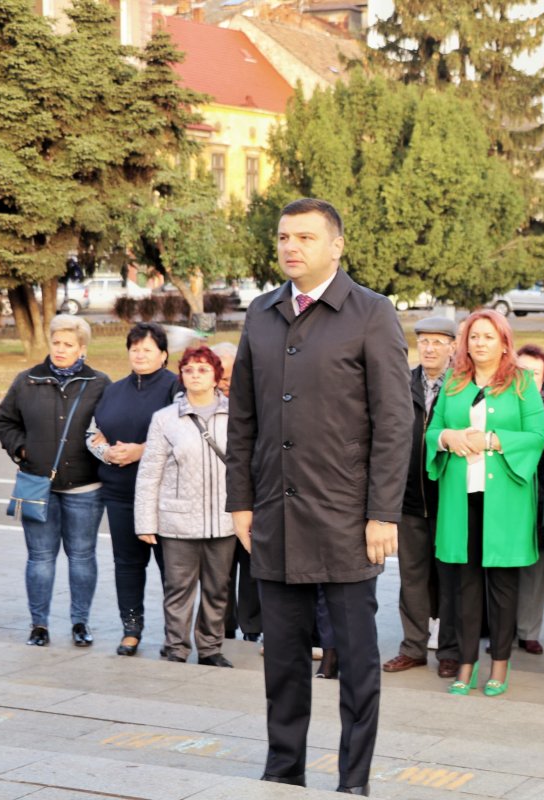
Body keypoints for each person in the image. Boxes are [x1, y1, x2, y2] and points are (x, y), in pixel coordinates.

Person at [225, 198, 413, 794]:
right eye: (283, 237)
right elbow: (243, 421)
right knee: (282, 663)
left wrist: (383, 513)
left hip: (347, 522)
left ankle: (352, 779)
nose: (290, 247)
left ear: (336, 246)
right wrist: (241, 502)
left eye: (305, 237)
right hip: (275, 521)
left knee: (356, 665)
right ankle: (284, 770)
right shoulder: (261, 313)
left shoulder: (371, 313)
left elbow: (394, 422)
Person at [426, 311, 544, 697]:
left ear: (503, 342)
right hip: (462, 500)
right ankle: (465, 664)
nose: (479, 343)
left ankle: (499, 664)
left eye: (488, 337)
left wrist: (493, 441)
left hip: (505, 501)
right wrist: (448, 437)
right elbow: (431, 431)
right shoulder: (454, 382)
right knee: (464, 586)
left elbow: (537, 435)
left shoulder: (523, 383)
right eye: (474, 336)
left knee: (502, 588)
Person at [0, 314, 110, 648]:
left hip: (85, 488)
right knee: (40, 558)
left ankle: (80, 622)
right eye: (56, 343)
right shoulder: (27, 380)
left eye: (68, 345)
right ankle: (39, 625)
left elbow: (112, 424)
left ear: (82, 348)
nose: (60, 349)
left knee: (82, 557)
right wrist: (22, 449)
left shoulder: (100, 383)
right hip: (35, 484)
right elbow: (5, 421)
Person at [134, 346, 235, 667]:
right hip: (178, 521)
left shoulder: (236, 416)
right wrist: (145, 522)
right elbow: (150, 472)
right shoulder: (165, 419)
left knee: (218, 589)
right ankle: (175, 647)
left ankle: (210, 648)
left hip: (223, 520)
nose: (195, 375)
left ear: (217, 376)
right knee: (178, 588)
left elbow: (248, 468)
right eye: (189, 369)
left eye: (203, 369)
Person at [84, 323, 179, 657]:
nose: (140, 354)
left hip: (164, 496)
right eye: (135, 348)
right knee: (127, 563)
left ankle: (175, 635)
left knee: (172, 567)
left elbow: (184, 434)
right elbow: (91, 433)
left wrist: (141, 450)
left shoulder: (174, 387)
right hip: (120, 491)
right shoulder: (113, 389)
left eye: (147, 349)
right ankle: (131, 629)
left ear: (164, 354)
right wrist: (105, 452)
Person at [382, 316, 461, 678]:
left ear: (452, 347)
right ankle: (413, 647)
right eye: (424, 342)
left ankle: (450, 650)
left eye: (437, 342)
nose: (429, 348)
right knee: (411, 578)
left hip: (449, 500)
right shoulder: (402, 383)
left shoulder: (462, 386)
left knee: (450, 578)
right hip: (410, 499)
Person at [514, 343, 544, 656]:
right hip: (504, 501)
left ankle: (528, 631)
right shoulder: (497, 406)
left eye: (535, 373)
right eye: (522, 372)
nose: (529, 379)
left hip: (539, 502)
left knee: (535, 571)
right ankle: (499, 628)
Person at [212, 341, 261, 645]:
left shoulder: (254, 399)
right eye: (223, 377)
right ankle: (223, 624)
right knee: (221, 570)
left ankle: (253, 626)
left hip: (252, 496)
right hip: (215, 500)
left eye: (233, 377)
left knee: (253, 565)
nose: (227, 384)